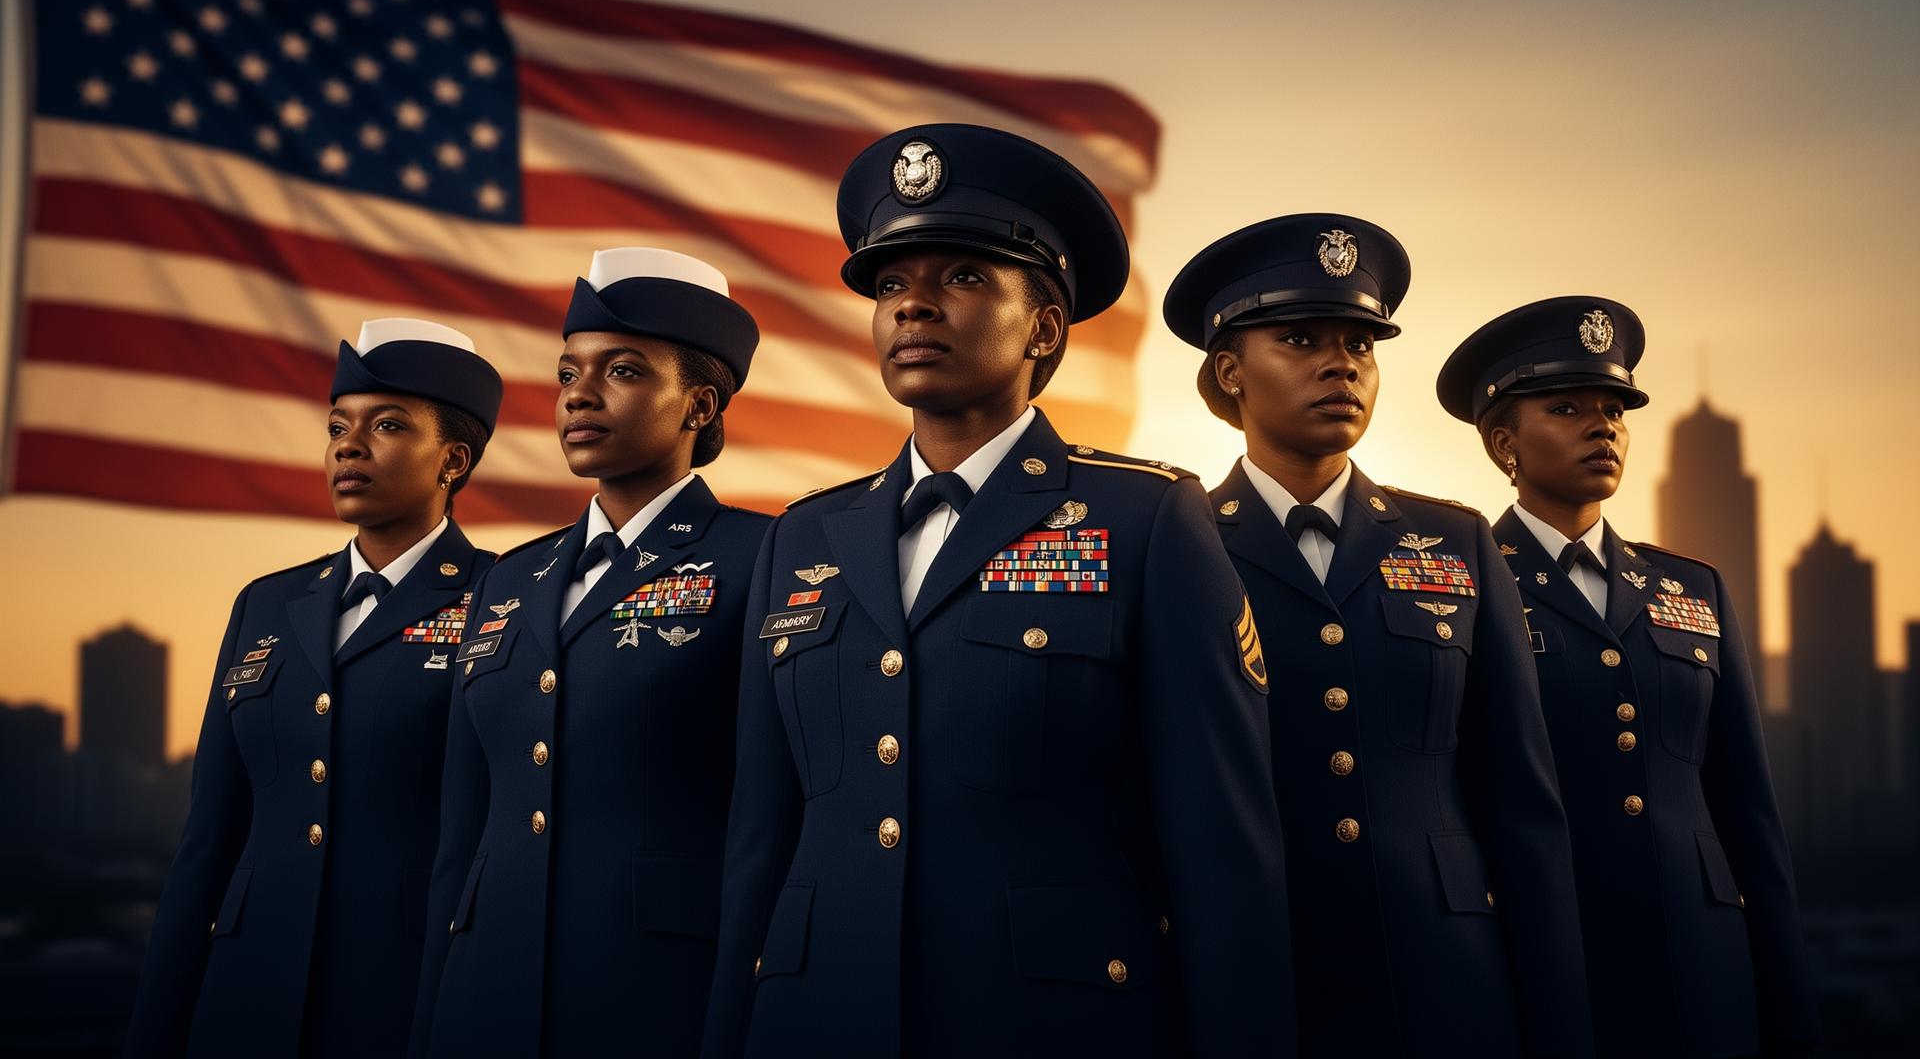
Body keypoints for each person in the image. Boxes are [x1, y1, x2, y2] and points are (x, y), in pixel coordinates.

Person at [702, 124, 1294, 1059]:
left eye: (963, 279)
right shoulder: (802, 536)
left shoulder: (1146, 519)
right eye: (892, 285)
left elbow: (1222, 853)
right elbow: (761, 844)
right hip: (816, 1022)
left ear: (1046, 327)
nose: (913, 308)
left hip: (1052, 1023)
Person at [1165, 215, 1593, 1058]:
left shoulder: (1459, 541)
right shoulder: (1174, 544)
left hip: (1449, 982)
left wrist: (1559, 1023)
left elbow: (1521, 807)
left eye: (1362, 345)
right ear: (1229, 371)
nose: (1341, 363)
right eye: (1298, 338)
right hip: (1253, 982)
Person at [1437, 296, 1820, 1057]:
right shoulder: (1459, 586)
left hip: (1706, 963)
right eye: (1568, 407)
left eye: (1615, 409)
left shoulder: (1692, 589)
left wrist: (1788, 1004)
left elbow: (1748, 815)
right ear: (1504, 441)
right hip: (1551, 958)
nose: (1602, 426)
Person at [410, 248, 769, 1057]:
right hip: (485, 994)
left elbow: (770, 820)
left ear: (699, 405)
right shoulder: (508, 578)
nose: (579, 392)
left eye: (624, 370)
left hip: (655, 996)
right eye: (570, 370)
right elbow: (461, 834)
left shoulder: (766, 558)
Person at [127, 319, 504, 1057]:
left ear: (452, 460)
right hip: (245, 991)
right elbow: (209, 838)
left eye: (387, 425)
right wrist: (157, 1028)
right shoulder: (267, 604)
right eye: (338, 426)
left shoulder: (509, 594)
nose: (348, 446)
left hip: (403, 991)